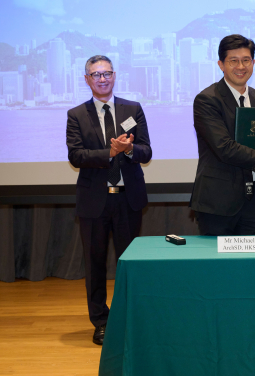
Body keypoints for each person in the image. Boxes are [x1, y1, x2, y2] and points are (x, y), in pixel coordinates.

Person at [66, 55, 152, 345]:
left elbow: (147, 151)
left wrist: (128, 151)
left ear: (114, 76)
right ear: (87, 79)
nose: (102, 79)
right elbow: (76, 156)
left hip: (128, 199)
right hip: (94, 202)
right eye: (95, 75)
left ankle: (128, 317)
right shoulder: (76, 114)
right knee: (95, 264)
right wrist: (110, 153)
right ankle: (101, 321)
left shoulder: (133, 109)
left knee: (128, 263)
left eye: (106, 73)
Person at [191, 34, 255, 235]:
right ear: (221, 64)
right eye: (233, 61)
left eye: (246, 60)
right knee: (218, 266)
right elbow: (224, 148)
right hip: (219, 202)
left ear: (253, 63)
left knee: (254, 265)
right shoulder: (207, 100)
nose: (240, 66)